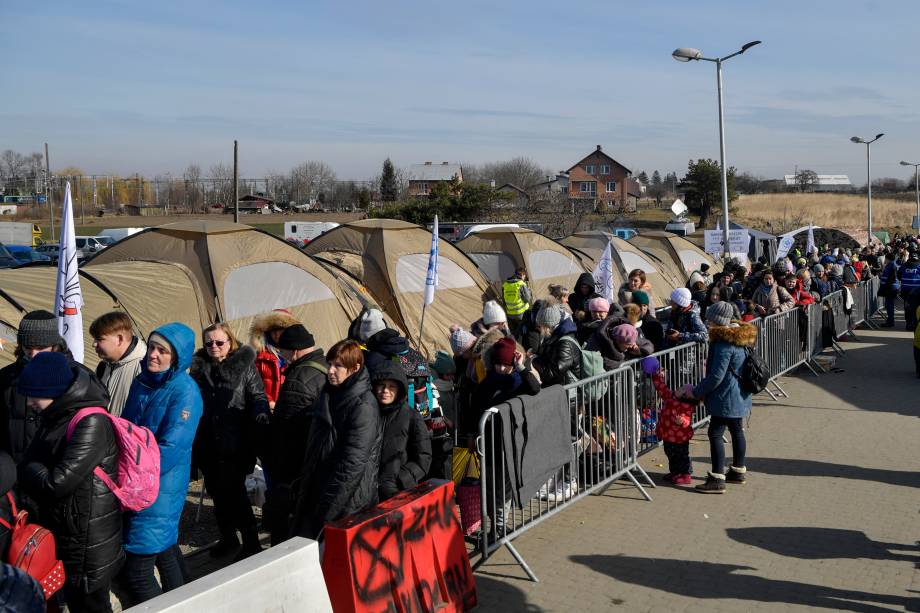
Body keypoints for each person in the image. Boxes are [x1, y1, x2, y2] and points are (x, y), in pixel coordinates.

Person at [17, 352, 123, 612]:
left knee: (91, 605)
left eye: (34, 395)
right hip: (71, 529)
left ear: (53, 391)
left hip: (88, 537)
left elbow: (57, 482)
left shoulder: (91, 422)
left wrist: (27, 467)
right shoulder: (57, 414)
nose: (29, 402)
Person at [120, 323, 203, 606]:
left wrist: (134, 477)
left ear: (177, 358)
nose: (153, 355)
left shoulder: (186, 392)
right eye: (152, 347)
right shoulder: (143, 382)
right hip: (136, 480)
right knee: (166, 549)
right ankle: (187, 602)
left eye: (162, 351)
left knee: (138, 570)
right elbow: (128, 429)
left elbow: (171, 447)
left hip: (158, 485)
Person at [190, 323, 269, 560]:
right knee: (217, 492)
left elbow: (257, 395)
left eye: (219, 342)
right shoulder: (198, 369)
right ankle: (228, 538)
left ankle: (252, 543)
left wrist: (260, 414)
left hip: (235, 442)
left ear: (230, 342)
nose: (214, 347)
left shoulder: (244, 367)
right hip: (207, 442)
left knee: (235, 495)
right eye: (209, 343)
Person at [290, 340, 382, 540]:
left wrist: (328, 512)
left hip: (346, 501)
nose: (330, 370)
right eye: (329, 363)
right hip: (319, 488)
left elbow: (352, 465)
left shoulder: (363, 406)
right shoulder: (330, 393)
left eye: (338, 366)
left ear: (355, 368)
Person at [680, 302, 756, 494]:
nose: (706, 322)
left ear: (718, 320)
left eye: (710, 319)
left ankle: (717, 478)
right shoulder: (741, 338)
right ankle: (738, 471)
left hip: (726, 396)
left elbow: (716, 376)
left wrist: (696, 392)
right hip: (740, 394)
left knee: (715, 433)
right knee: (737, 430)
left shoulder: (723, 343)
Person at [264, 324, 327, 545]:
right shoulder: (324, 365)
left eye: (282, 351)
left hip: (297, 467)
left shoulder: (298, 379)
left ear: (295, 351)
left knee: (289, 524)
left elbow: (288, 433)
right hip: (318, 459)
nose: (281, 356)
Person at [0, 310, 74, 464]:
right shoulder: (6, 377)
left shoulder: (73, 377)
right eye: (28, 347)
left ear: (54, 345)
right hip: (13, 469)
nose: (33, 354)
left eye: (40, 347)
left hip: (52, 471)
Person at [371, 362, 432, 501]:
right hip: (367, 492)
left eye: (391, 386)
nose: (385, 390)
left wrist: (401, 479)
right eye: (382, 385)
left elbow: (424, 456)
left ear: (400, 389)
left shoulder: (412, 416)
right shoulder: (368, 413)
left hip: (397, 492)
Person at [642, 356, 696, 486]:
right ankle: (675, 472)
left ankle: (686, 474)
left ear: (685, 396)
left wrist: (682, 421)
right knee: (670, 454)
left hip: (680, 437)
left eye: (682, 389)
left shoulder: (686, 407)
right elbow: (661, 387)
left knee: (682, 456)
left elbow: (688, 420)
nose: (678, 388)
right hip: (668, 435)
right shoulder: (670, 396)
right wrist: (655, 375)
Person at [91, 311, 147, 417]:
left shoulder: (144, 368)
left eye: (99, 339)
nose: (93, 344)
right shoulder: (103, 366)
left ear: (120, 339)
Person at [248, 309, 300, 411]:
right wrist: (269, 402)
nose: (276, 333)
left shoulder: (298, 353)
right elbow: (254, 385)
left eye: (280, 329)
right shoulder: (260, 357)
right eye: (272, 329)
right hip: (269, 409)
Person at [531, 304, 582, 387]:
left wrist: (533, 360)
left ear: (548, 325)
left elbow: (553, 374)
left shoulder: (565, 344)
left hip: (571, 392)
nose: (538, 329)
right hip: (561, 387)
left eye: (540, 326)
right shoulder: (555, 336)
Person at [502, 267, 532, 335]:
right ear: (523, 275)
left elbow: (504, 301)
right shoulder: (521, 284)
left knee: (514, 333)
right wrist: (529, 291)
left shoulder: (505, 285)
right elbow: (527, 299)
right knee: (522, 332)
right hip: (521, 314)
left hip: (510, 314)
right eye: (524, 276)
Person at [899, 253, 920, 331]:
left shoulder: (904, 266)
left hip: (906, 290)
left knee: (907, 307)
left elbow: (899, 275)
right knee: (916, 307)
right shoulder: (919, 266)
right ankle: (915, 323)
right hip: (917, 291)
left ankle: (908, 323)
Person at [878, 254, 901, 327]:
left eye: (885, 258)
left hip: (891, 288)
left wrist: (886, 287)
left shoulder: (892, 266)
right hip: (890, 287)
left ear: (888, 259)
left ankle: (890, 322)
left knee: (889, 305)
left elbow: (892, 278)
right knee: (888, 305)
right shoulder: (890, 265)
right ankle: (890, 321)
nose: (884, 260)